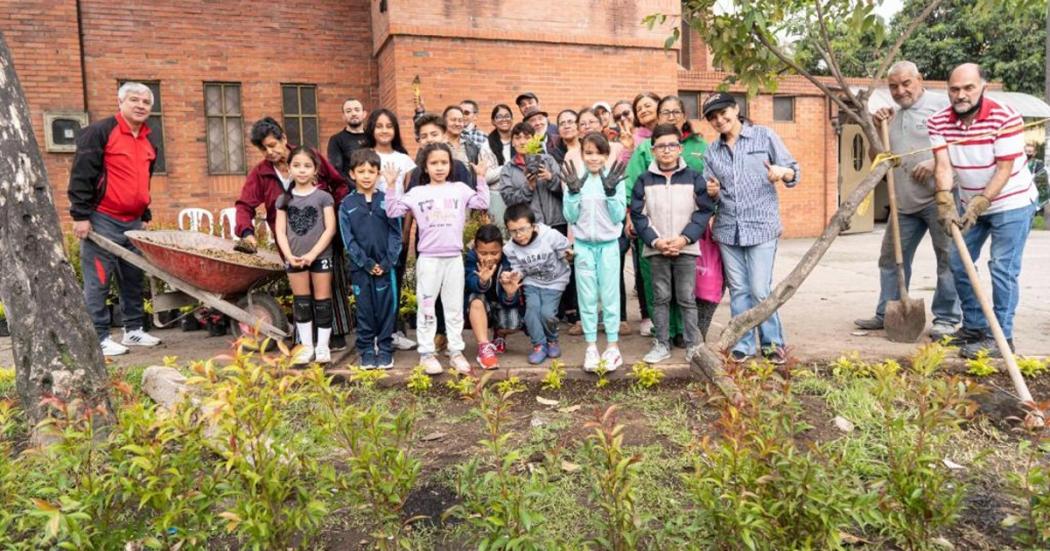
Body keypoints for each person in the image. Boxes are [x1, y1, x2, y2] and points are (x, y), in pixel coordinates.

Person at [931, 63, 1039, 359]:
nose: (961, 95)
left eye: (968, 88)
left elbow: (1004, 169)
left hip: (1012, 203)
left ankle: (1001, 337)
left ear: (983, 88)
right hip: (969, 204)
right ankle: (975, 327)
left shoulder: (1005, 116)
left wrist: (981, 202)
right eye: (954, 89)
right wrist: (944, 200)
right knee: (957, 261)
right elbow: (942, 165)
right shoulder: (938, 121)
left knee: (1002, 268)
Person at [853, 61, 961, 339]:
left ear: (919, 80)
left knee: (948, 259)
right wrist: (877, 127)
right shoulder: (891, 116)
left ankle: (947, 319)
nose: (900, 91)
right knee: (890, 259)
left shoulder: (942, 106)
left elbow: (964, 142)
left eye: (905, 83)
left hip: (939, 197)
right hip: (903, 202)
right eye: (893, 86)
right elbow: (876, 160)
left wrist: (934, 161)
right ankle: (886, 311)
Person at [234, 117, 352, 349]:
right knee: (301, 293)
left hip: (324, 238)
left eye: (272, 145)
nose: (269, 152)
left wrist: (336, 215)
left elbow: (339, 185)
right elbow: (244, 205)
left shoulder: (309, 157)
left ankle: (335, 334)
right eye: (263, 148)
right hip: (290, 242)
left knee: (330, 286)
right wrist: (246, 231)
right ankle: (306, 341)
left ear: (283, 139)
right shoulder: (261, 174)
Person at [702, 92, 799, 364]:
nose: (720, 120)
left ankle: (773, 343)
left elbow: (794, 171)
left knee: (759, 289)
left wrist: (782, 172)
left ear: (736, 109)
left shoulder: (764, 136)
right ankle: (742, 343)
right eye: (713, 117)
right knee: (739, 290)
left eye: (723, 113)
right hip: (728, 228)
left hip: (762, 225)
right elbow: (707, 191)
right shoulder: (712, 151)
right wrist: (711, 191)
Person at [69, 81, 164, 356]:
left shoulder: (148, 139)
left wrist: (144, 213)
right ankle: (97, 337)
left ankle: (133, 330)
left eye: (146, 102)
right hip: (102, 219)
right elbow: (81, 174)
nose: (140, 106)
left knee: (133, 276)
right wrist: (80, 215)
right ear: (120, 102)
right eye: (134, 100)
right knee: (98, 279)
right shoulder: (100, 132)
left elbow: (143, 180)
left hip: (133, 222)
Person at [385, 143, 490, 375]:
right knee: (427, 306)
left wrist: (481, 178)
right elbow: (393, 211)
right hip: (429, 260)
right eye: (434, 163)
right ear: (425, 166)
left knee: (453, 308)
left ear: (450, 165)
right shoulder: (417, 193)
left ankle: (455, 351)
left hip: (453, 258)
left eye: (444, 162)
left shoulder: (460, 189)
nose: (440, 167)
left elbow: (482, 203)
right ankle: (426, 353)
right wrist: (392, 185)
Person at [626, 95, 708, 346]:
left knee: (686, 289)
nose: (671, 116)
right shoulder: (644, 149)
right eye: (666, 112)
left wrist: (688, 234)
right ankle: (665, 333)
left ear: (684, 115)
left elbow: (706, 193)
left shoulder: (699, 146)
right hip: (654, 230)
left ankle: (685, 333)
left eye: (676, 111)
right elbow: (632, 188)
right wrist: (632, 217)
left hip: (688, 231)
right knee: (658, 287)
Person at [561, 133, 627, 372]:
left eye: (599, 152)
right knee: (586, 298)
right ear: (582, 154)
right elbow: (570, 216)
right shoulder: (576, 180)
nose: (594, 158)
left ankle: (612, 346)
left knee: (610, 297)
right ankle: (591, 347)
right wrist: (573, 193)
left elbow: (619, 215)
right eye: (588, 152)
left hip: (609, 245)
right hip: (583, 247)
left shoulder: (616, 180)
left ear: (607, 155)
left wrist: (611, 194)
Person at [274, 147, 338, 365]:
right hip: (294, 259)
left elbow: (330, 229)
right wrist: (289, 255)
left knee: (322, 301)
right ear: (289, 169)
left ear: (316, 170)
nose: (302, 170)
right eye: (297, 165)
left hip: (320, 257)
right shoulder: (284, 199)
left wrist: (312, 254)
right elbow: (280, 231)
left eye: (307, 166)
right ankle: (306, 346)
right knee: (301, 303)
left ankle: (322, 346)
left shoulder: (323, 197)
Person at [339, 149, 402, 370]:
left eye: (372, 171)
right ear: (352, 173)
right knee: (364, 309)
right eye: (361, 171)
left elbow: (397, 233)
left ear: (378, 174)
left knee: (386, 308)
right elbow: (348, 240)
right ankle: (366, 349)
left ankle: (384, 348)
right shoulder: (346, 205)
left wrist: (386, 262)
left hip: (386, 268)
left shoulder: (387, 201)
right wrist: (365, 263)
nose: (367, 175)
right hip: (361, 269)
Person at [502, 203, 572, 365]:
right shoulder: (510, 248)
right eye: (513, 231)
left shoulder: (549, 236)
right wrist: (513, 276)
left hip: (555, 280)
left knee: (547, 313)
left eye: (523, 229)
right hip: (532, 281)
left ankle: (552, 340)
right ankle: (539, 345)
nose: (519, 235)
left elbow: (565, 249)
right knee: (531, 311)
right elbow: (518, 268)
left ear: (533, 226)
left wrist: (569, 254)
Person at [466, 224, 525, 370]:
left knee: (513, 322)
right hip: (479, 307)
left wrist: (511, 293)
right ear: (475, 249)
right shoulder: (471, 259)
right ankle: (484, 348)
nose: (489, 258)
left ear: (502, 249)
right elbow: (471, 284)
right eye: (483, 253)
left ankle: (499, 334)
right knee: (476, 298)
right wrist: (482, 281)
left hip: (500, 305)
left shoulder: (509, 260)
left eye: (494, 253)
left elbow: (512, 301)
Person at [363, 108, 415, 193]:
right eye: (379, 126)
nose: (384, 131)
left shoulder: (405, 159)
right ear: (372, 129)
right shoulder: (364, 156)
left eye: (389, 126)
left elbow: (410, 193)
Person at [485, 104, 516, 232]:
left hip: (519, 195)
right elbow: (486, 177)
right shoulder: (487, 146)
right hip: (497, 196)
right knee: (501, 234)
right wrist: (510, 165)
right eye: (499, 117)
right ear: (493, 121)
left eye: (507, 116)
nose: (504, 119)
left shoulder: (519, 140)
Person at [327, 98, 369, 176]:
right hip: (349, 187)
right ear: (343, 116)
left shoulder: (372, 137)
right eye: (348, 111)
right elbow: (336, 170)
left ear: (364, 114)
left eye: (357, 110)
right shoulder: (336, 140)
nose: (353, 114)